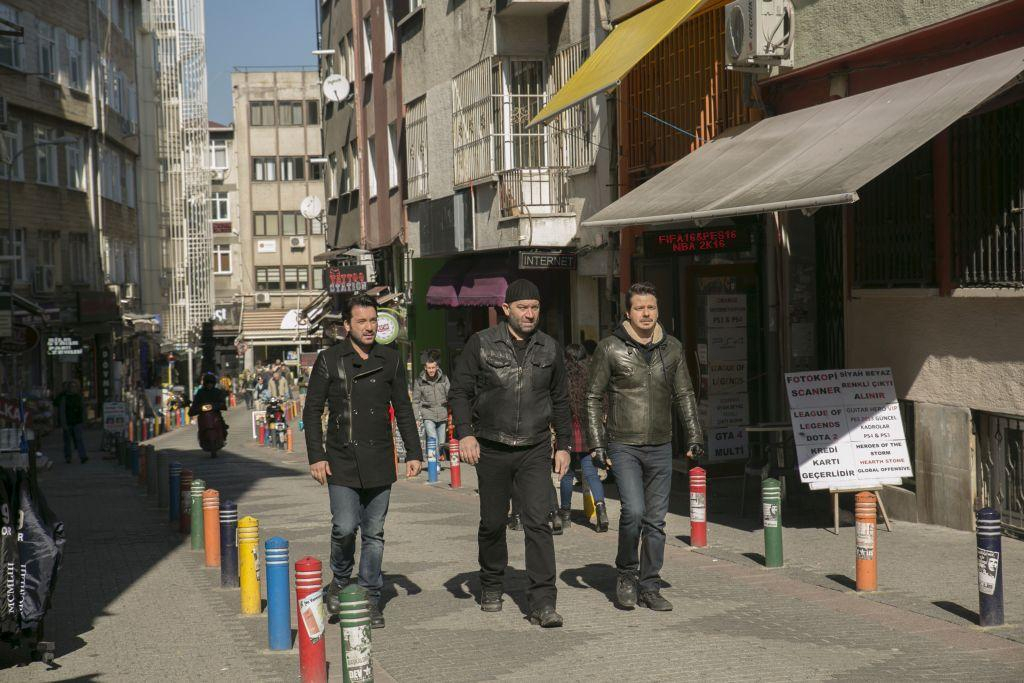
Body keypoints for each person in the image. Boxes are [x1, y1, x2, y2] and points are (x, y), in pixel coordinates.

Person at [448, 279, 571, 628]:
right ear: (506, 310)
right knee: (492, 522)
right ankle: (491, 582)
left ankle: (543, 601)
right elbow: (459, 392)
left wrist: (563, 445)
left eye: (534, 308)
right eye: (522, 308)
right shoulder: (482, 343)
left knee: (539, 522)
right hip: (491, 446)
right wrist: (466, 434)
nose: (529, 314)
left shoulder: (550, 348)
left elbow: (561, 400)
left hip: (534, 447)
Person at [302, 294, 423, 629]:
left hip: (380, 457)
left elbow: (403, 408)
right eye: (362, 322)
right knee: (344, 527)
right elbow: (312, 411)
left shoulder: (390, 359)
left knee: (374, 532)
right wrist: (316, 456)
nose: (369, 327)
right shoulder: (329, 359)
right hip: (341, 458)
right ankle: (341, 580)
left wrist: (414, 453)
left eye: (373, 321)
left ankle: (370, 597)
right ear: (347, 326)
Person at [586, 282, 703, 613]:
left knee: (656, 521)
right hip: (623, 444)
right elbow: (593, 396)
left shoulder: (673, 348)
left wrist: (694, 435)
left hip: (661, 444)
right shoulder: (610, 348)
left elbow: (684, 394)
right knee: (634, 512)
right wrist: (597, 443)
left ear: (657, 310)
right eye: (639, 308)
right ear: (628, 313)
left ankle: (650, 585)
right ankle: (626, 574)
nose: (646, 313)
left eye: (651, 307)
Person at [557, 343, 609, 533]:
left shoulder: (562, 381)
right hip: (589, 433)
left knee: (566, 474)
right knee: (591, 473)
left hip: (568, 432)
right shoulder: (592, 377)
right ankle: (601, 509)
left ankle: (565, 514)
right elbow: (603, 403)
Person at [413, 349, 451, 459]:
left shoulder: (444, 379)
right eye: (429, 368)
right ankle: (435, 463)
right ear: (425, 368)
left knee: (441, 442)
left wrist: (452, 413)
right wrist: (416, 418)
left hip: (442, 414)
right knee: (433, 438)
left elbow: (451, 397)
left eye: (433, 368)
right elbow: (415, 401)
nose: (431, 370)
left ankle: (436, 458)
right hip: (428, 414)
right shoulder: (419, 381)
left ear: (437, 367)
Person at [189, 373, 229, 457]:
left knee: (223, 425)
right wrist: (194, 409)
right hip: (203, 415)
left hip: (215, 413)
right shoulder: (200, 392)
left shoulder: (217, 392)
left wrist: (217, 405)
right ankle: (203, 439)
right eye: (208, 382)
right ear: (205, 383)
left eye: (211, 382)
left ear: (214, 383)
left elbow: (222, 402)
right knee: (200, 425)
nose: (209, 384)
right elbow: (195, 403)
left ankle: (222, 437)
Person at [54, 380, 88, 464]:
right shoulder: (65, 397)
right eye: (72, 386)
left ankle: (83, 456)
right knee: (67, 441)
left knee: (79, 439)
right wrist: (63, 423)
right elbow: (62, 410)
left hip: (77, 422)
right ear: (69, 388)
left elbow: (83, 409)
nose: (73, 388)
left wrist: (84, 420)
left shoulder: (79, 397)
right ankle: (68, 456)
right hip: (68, 422)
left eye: (75, 386)